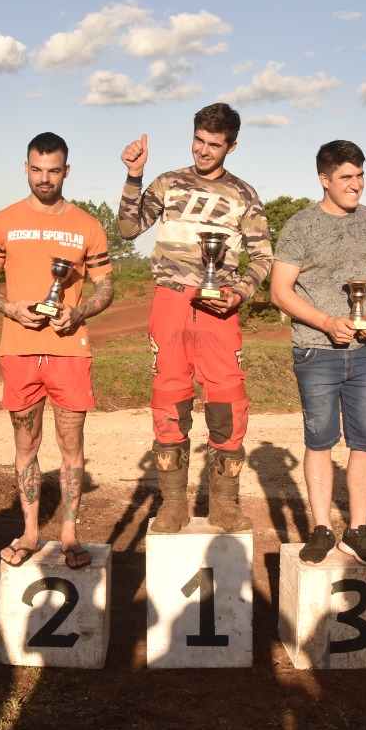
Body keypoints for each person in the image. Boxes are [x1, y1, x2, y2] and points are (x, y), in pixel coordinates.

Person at [118, 102, 273, 533]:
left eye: (214, 145)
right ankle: (173, 504)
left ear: (231, 146)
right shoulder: (168, 183)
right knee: (169, 400)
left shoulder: (244, 195)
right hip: (170, 302)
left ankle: (224, 504)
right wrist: (134, 176)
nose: (203, 151)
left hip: (219, 307)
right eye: (198, 141)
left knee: (228, 404)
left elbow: (264, 257)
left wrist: (240, 293)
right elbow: (128, 230)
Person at [0, 132, 114, 569]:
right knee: (26, 443)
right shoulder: (2, 221)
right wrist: (10, 307)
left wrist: (79, 311)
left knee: (71, 444)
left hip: (69, 350)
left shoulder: (88, 225)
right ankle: (31, 532)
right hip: (18, 348)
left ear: (66, 171)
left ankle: (70, 535)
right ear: (26, 168)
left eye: (53, 171)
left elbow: (106, 287)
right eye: (37, 169)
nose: (44, 179)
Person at [269, 140, 366, 566]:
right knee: (320, 442)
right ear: (324, 179)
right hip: (316, 352)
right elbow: (280, 291)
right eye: (346, 177)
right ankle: (321, 530)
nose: (356, 184)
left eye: (360, 175)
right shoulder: (299, 226)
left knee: (365, 443)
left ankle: (358, 531)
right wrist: (327, 323)